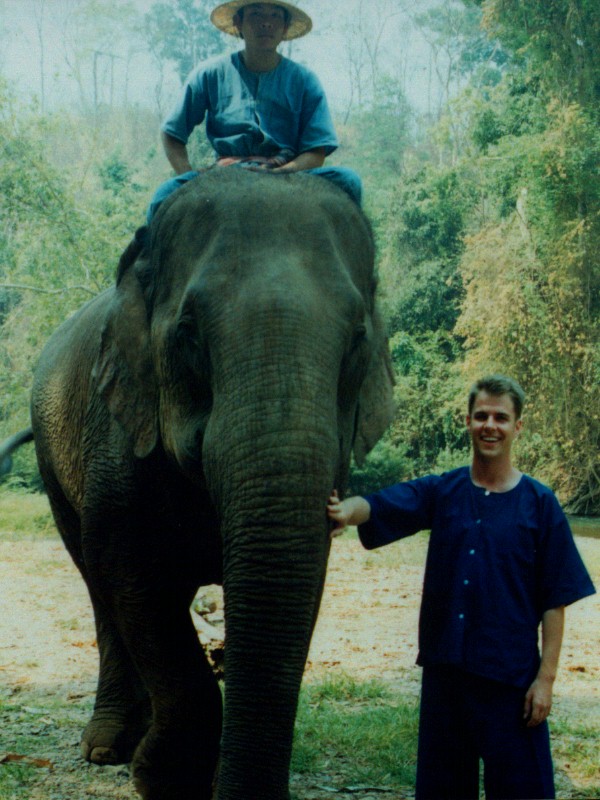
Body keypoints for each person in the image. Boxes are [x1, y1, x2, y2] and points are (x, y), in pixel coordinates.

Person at [327, 375, 596, 800]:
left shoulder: (540, 504)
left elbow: (555, 600)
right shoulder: (443, 490)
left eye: (501, 418)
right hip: (446, 679)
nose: (491, 425)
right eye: (482, 416)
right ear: (468, 421)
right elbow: (379, 505)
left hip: (511, 683)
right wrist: (346, 510)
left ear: (517, 427)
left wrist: (545, 680)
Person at [147, 0, 362, 223]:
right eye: (256, 14)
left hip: (288, 174)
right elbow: (172, 133)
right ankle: (145, 254)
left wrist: (281, 172)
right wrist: (188, 176)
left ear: (285, 26)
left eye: (275, 15)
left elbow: (316, 151)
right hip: (225, 174)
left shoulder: (305, 81)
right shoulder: (210, 74)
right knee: (162, 197)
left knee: (349, 181)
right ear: (238, 22)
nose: (266, 23)